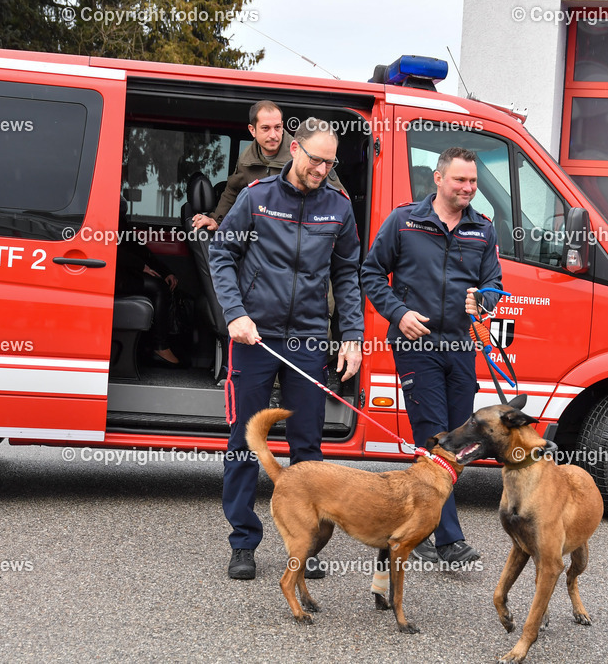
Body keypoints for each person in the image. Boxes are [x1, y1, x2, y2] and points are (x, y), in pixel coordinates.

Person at [209, 117, 364, 580]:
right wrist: (235, 313)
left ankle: (306, 544)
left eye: (330, 163)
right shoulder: (256, 196)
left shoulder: (338, 206)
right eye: (316, 159)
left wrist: (352, 336)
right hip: (254, 336)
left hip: (309, 338)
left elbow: (347, 275)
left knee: (307, 446)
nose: (322, 170)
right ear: (295, 149)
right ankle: (243, 542)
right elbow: (222, 254)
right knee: (245, 441)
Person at [360, 147, 502, 565]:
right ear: (439, 179)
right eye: (460, 180)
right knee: (435, 435)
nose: (468, 188)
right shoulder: (404, 221)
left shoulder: (483, 229)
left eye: (473, 181)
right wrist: (398, 314)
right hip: (416, 345)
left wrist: (484, 300)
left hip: (460, 346)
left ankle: (418, 525)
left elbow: (494, 283)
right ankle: (446, 538)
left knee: (458, 440)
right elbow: (371, 272)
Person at [191, 100, 342, 231]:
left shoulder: (303, 153)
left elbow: (338, 197)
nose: (273, 135)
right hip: (264, 235)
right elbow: (233, 190)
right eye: (265, 128)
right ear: (252, 130)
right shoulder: (246, 159)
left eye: (277, 127)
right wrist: (216, 220)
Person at [115, 203, 181, 365]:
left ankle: (156, 345)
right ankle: (160, 346)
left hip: (123, 271)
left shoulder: (119, 221)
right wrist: (141, 266)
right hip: (112, 276)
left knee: (162, 284)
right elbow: (112, 250)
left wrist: (165, 272)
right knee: (159, 288)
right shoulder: (104, 217)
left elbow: (138, 248)